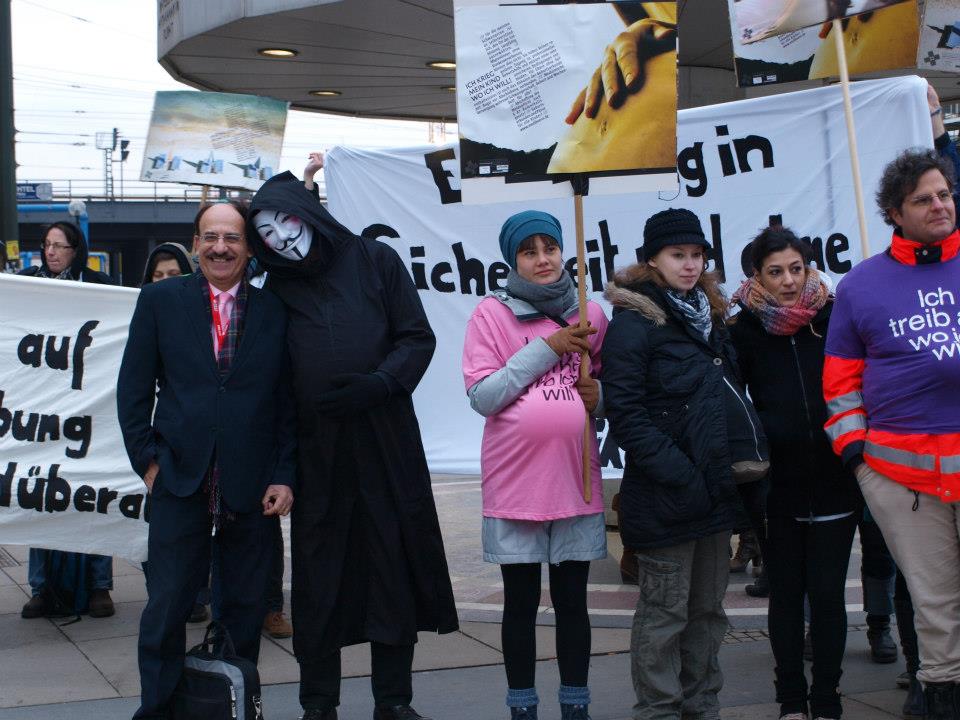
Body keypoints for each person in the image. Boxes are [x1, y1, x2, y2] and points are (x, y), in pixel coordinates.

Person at [247, 155, 458, 720]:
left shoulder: (375, 260)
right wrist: (283, 467)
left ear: (307, 214)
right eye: (266, 233)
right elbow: (276, 386)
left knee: (392, 567)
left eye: (285, 221)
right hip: (318, 454)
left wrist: (381, 383)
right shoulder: (274, 292)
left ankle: (394, 700)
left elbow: (416, 336)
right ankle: (319, 703)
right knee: (320, 578)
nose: (280, 238)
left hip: (386, 442)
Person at [117, 201, 296, 719]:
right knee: (167, 607)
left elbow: (288, 404)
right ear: (196, 243)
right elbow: (132, 391)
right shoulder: (159, 301)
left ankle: (233, 708)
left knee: (244, 610)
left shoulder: (274, 310)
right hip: (178, 480)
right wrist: (149, 463)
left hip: (252, 487)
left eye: (232, 238)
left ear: (249, 247)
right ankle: (157, 710)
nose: (221, 248)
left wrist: (284, 476)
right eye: (211, 237)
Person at [824, 148, 960, 719]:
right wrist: (858, 457)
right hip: (899, 476)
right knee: (935, 603)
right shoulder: (860, 285)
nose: (939, 205)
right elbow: (840, 382)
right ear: (894, 213)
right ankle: (941, 697)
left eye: (944, 194)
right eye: (922, 199)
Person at [462, 211, 608, 720]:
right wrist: (546, 349)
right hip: (517, 484)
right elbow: (483, 396)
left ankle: (575, 705)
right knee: (520, 604)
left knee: (573, 603)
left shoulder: (591, 312)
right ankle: (522, 707)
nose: (543, 259)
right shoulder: (490, 314)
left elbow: (608, 388)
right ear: (513, 260)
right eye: (529, 251)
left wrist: (601, 396)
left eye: (550, 248)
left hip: (575, 480)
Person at [601, 208, 745, 720]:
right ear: (652, 261)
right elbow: (626, 416)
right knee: (664, 614)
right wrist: (681, 475)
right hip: (666, 496)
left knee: (707, 612)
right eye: (677, 254)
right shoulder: (633, 324)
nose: (689, 264)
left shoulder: (713, 318)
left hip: (715, 494)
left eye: (697, 255)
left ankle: (702, 706)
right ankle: (659, 710)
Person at [730, 226, 860, 720]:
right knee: (785, 595)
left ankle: (827, 700)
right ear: (757, 277)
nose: (788, 281)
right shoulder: (742, 331)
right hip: (775, 488)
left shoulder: (834, 318)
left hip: (834, 480)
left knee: (827, 597)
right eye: (775, 272)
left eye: (796, 269)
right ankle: (790, 700)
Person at [18, 220, 115, 620]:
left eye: (59, 245)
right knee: (40, 494)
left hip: (88, 405)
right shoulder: (28, 284)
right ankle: (41, 587)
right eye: (47, 245)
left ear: (77, 250)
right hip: (41, 408)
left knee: (93, 495)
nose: (51, 252)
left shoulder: (99, 285)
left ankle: (99, 585)